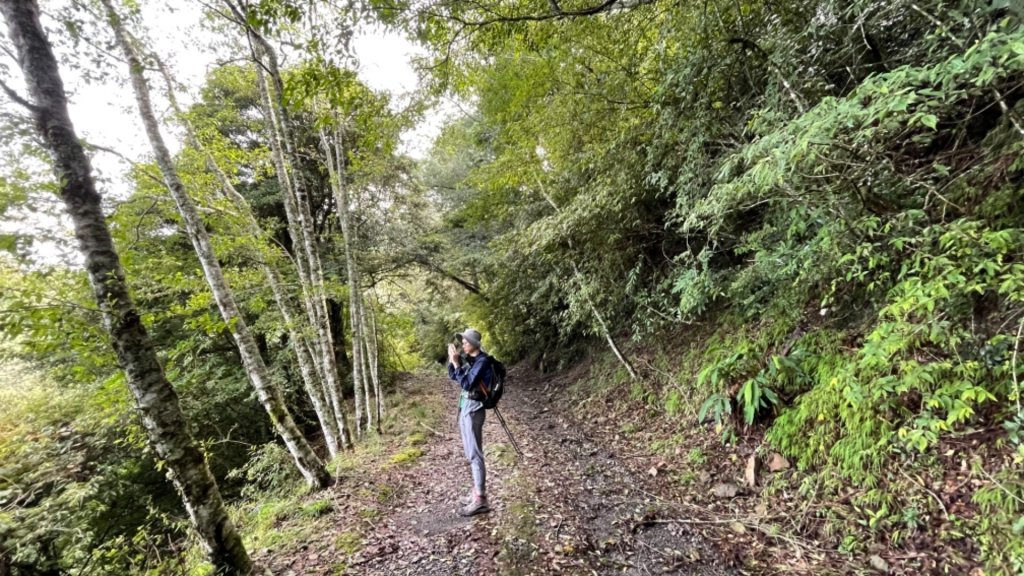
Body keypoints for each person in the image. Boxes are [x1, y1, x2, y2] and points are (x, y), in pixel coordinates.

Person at [447, 328, 493, 517]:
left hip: (474, 409)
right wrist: (453, 362)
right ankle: (476, 491)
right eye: (462, 341)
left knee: (475, 453)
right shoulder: (472, 361)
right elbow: (455, 377)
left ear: (474, 344)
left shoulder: (482, 361)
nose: (463, 343)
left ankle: (480, 499)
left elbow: (467, 383)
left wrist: (458, 366)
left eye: (465, 341)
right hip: (467, 407)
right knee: (469, 452)